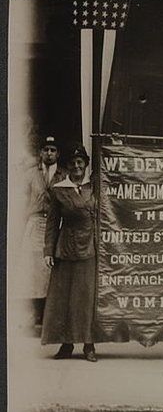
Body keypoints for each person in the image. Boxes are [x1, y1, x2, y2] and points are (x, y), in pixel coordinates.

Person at [42, 145, 97, 362]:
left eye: (80, 162)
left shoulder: (94, 187)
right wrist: (48, 251)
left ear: (86, 164)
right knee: (64, 299)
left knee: (86, 299)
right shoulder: (59, 189)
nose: (76, 166)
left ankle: (89, 344)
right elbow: (52, 223)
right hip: (65, 249)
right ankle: (66, 344)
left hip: (89, 248)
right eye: (73, 163)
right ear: (67, 166)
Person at [18, 136, 66, 329]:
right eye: (45, 149)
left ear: (58, 154)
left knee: (51, 266)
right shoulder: (31, 174)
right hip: (35, 220)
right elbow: (21, 200)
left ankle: (50, 313)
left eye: (53, 149)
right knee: (31, 267)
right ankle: (35, 312)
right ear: (40, 152)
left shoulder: (64, 175)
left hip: (55, 223)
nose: (49, 153)